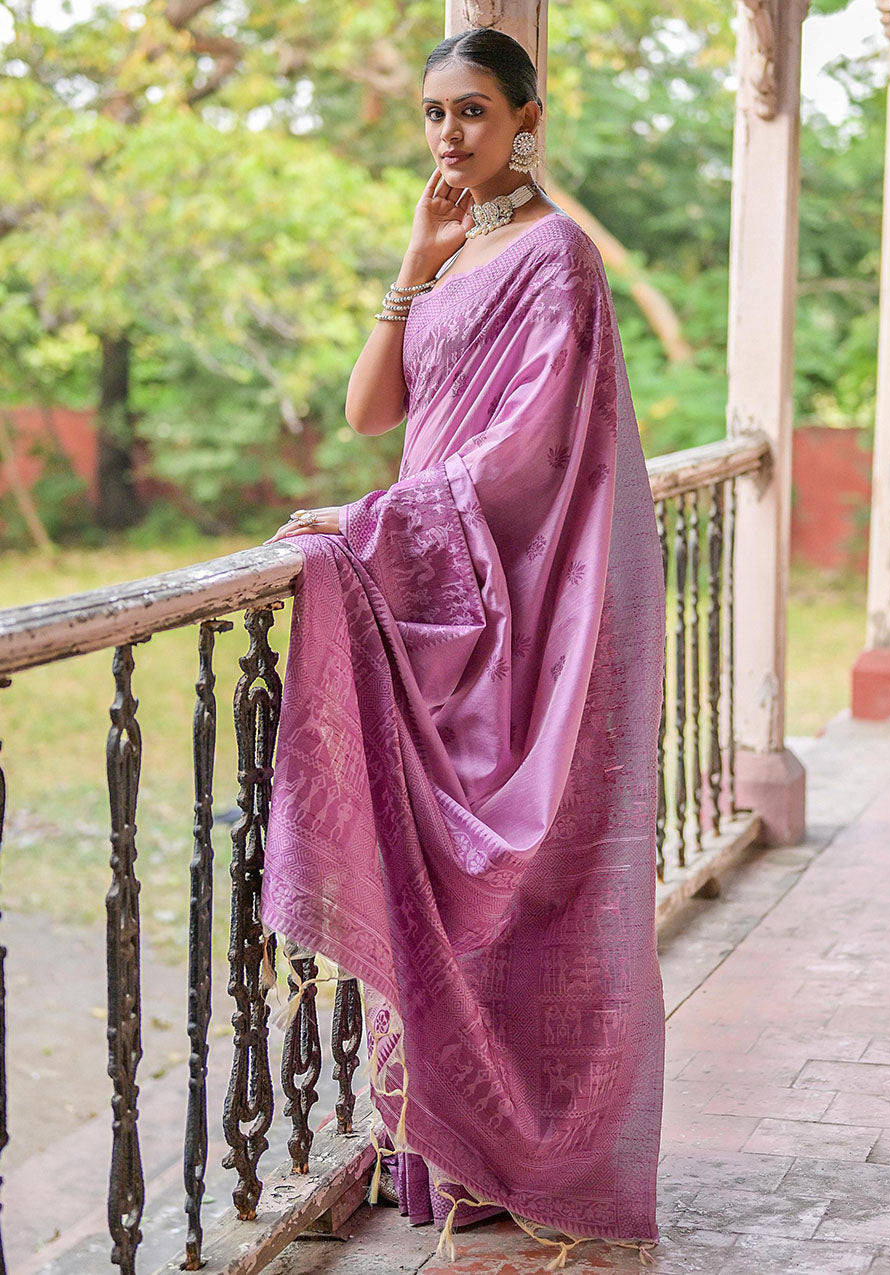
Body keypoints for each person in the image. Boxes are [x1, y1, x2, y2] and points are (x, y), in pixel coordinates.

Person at [262, 27, 666, 1267]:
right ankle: (461, 1158)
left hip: (517, 600)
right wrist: (412, 261)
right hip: (434, 591)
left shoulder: (557, 256)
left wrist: (378, 518)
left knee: (516, 889)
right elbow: (371, 410)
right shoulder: (458, 255)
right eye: (435, 113)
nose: (449, 135)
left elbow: (532, 446)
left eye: (475, 112)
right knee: (435, 884)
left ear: (526, 117)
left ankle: (537, 1156)